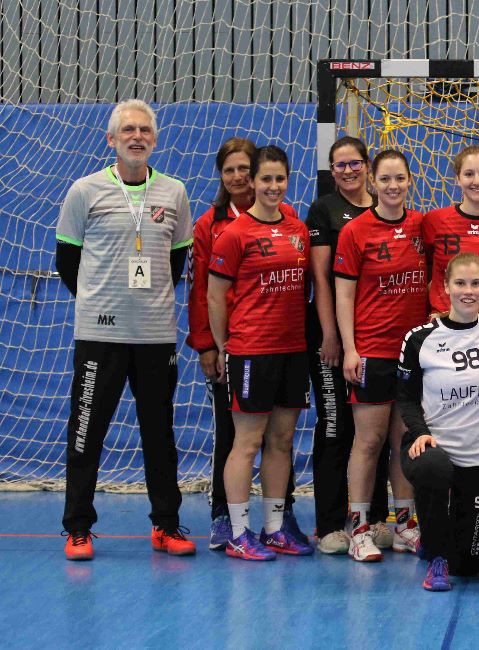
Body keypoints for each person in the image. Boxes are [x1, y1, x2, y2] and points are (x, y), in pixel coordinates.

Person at [56, 99, 196, 560]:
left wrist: (145, 305)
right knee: (86, 432)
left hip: (155, 337)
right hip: (100, 336)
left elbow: (175, 263)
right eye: (128, 130)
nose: (137, 137)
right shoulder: (84, 191)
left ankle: (166, 525)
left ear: (155, 139)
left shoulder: (174, 192)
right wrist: (102, 304)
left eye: (145, 131)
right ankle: (78, 528)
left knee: (159, 434)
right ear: (111, 139)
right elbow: (67, 261)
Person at [186, 137, 304, 551]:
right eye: (265, 179)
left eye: (279, 179)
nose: (272, 186)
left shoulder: (296, 225)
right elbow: (210, 295)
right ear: (254, 181)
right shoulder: (224, 230)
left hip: (291, 348)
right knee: (243, 441)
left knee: (281, 441)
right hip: (248, 348)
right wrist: (217, 346)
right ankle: (234, 529)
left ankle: (275, 526)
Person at [397, 253, 479, 591]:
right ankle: (436, 556)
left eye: (475, 283)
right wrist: (420, 433)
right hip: (434, 445)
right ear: (445, 287)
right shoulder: (419, 338)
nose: (468, 291)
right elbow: (406, 397)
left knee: (471, 565)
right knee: (432, 467)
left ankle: (447, 547)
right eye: (460, 283)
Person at [333, 149, 426, 561]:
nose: (392, 186)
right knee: (368, 442)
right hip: (372, 351)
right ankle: (358, 527)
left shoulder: (422, 226)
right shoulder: (356, 231)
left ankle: (404, 524)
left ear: (409, 181)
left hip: (413, 356)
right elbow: (344, 294)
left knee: (405, 442)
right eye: (385, 179)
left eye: (399, 178)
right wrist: (351, 348)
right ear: (372, 182)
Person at [306, 136, 392, 554]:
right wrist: (331, 336)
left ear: (367, 166)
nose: (348, 171)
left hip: (375, 339)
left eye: (354, 163)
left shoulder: (385, 207)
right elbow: (322, 280)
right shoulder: (324, 210)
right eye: (339, 165)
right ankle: (328, 524)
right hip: (334, 337)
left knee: (375, 433)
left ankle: (373, 518)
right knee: (336, 425)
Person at [422, 145, 479, 321]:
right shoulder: (434, 221)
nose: (477, 181)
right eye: (469, 174)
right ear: (458, 178)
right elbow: (425, 277)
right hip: (445, 325)